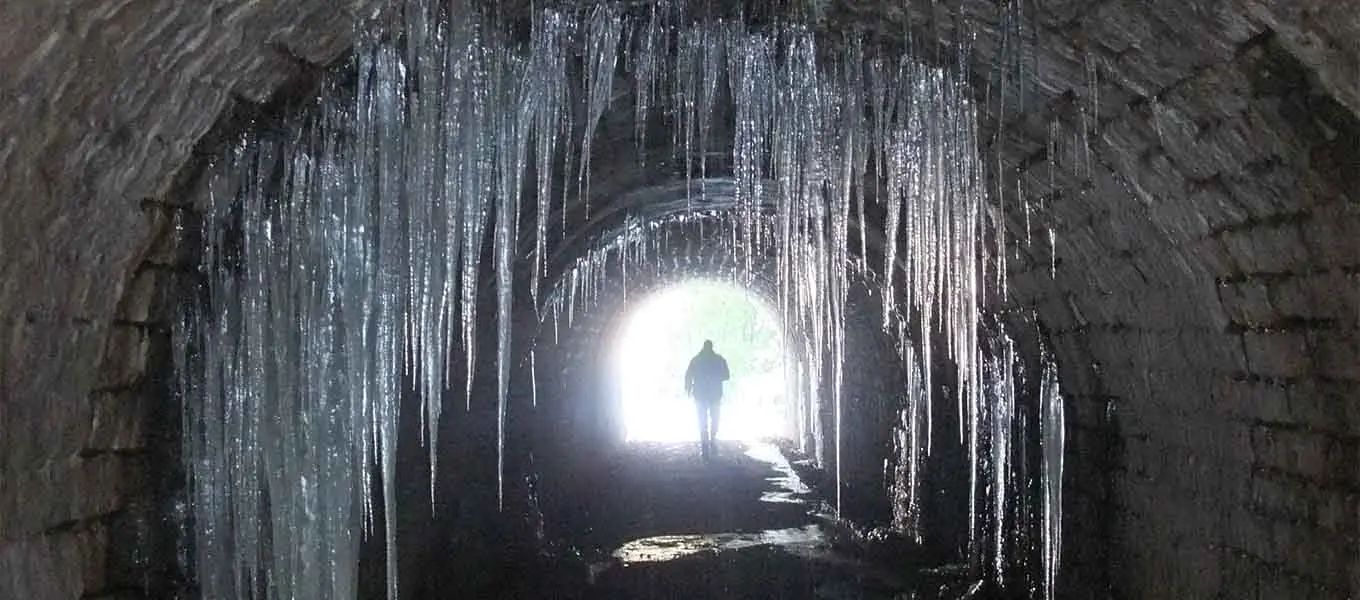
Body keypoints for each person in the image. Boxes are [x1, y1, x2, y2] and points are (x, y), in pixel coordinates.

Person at [684, 340, 730, 460]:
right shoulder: (719, 360)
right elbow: (726, 375)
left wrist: (688, 388)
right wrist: (715, 377)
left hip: (700, 395)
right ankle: (712, 440)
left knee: (702, 420)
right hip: (714, 395)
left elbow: (688, 375)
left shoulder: (696, 360)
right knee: (714, 419)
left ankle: (705, 444)